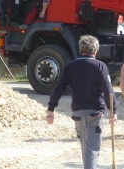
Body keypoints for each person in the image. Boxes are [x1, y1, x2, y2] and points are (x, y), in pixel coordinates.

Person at [46, 35, 117, 169]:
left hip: (78, 113)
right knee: (91, 150)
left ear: (80, 49)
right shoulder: (100, 66)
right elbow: (109, 91)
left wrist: (51, 108)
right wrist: (113, 111)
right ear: (95, 50)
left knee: (86, 148)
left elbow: (58, 88)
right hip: (95, 114)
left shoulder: (70, 66)